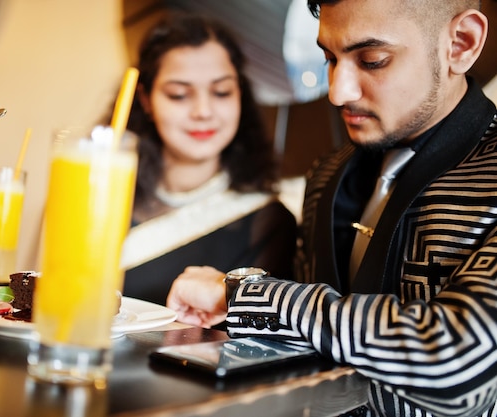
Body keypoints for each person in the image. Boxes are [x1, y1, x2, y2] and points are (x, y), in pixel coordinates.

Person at [166, 0, 497, 415]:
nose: (338, 91)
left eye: (373, 60)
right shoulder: (326, 175)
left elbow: (461, 366)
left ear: (462, 43)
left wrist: (244, 296)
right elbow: (310, 348)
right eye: (329, 58)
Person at [118, 13, 297, 305]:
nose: (203, 111)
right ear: (146, 100)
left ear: (241, 94)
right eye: (179, 95)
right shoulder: (98, 194)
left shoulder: (268, 222)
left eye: (221, 92)